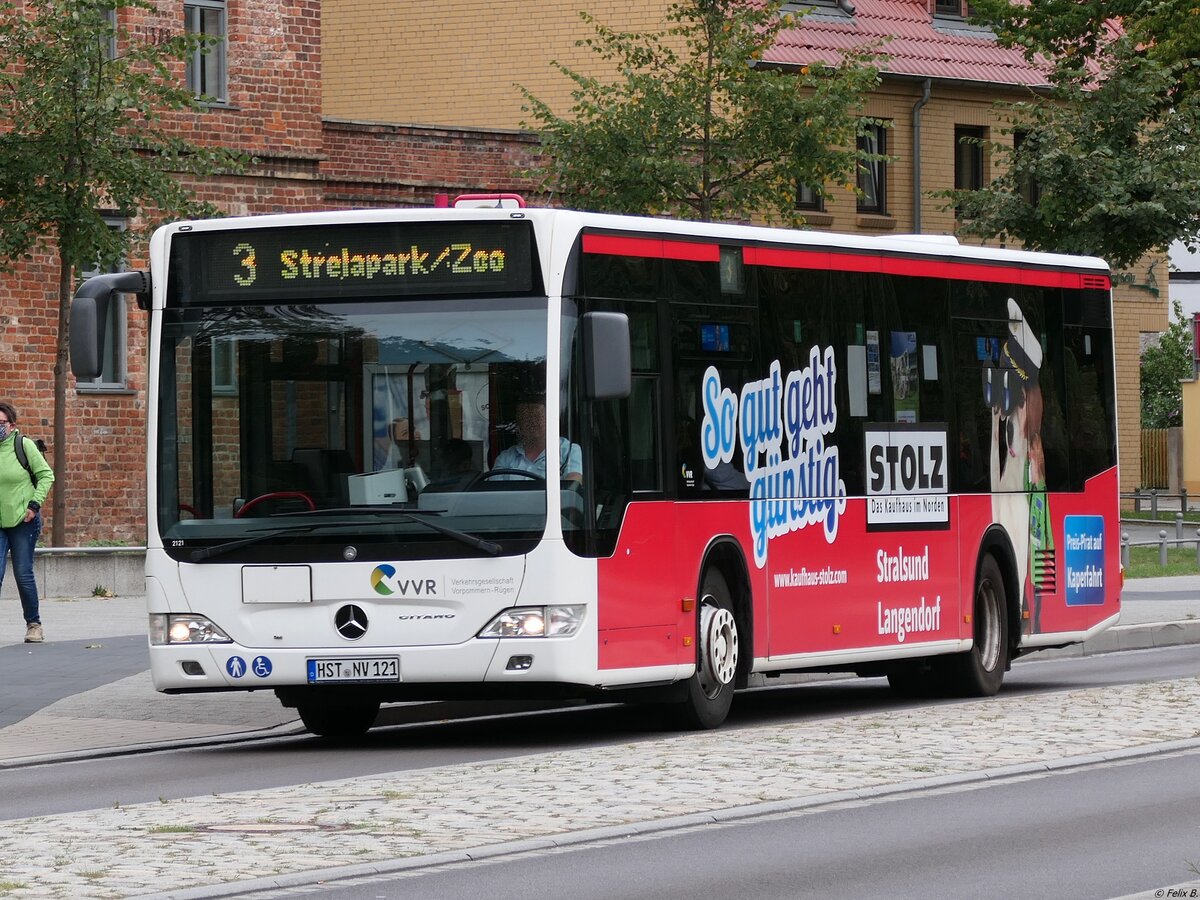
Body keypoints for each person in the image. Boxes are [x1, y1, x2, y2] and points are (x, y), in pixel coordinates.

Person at [0, 402, 54, 643]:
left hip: (24, 520)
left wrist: (34, 505)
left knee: (23, 573)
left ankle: (34, 625)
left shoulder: (24, 446)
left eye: (0, 423)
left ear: (12, 426)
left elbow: (46, 475)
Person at [492, 393, 582, 482]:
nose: (532, 423)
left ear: (550, 419)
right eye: (526, 418)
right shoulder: (506, 457)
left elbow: (573, 484)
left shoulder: (568, 451)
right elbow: (495, 490)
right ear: (519, 423)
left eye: (537, 417)